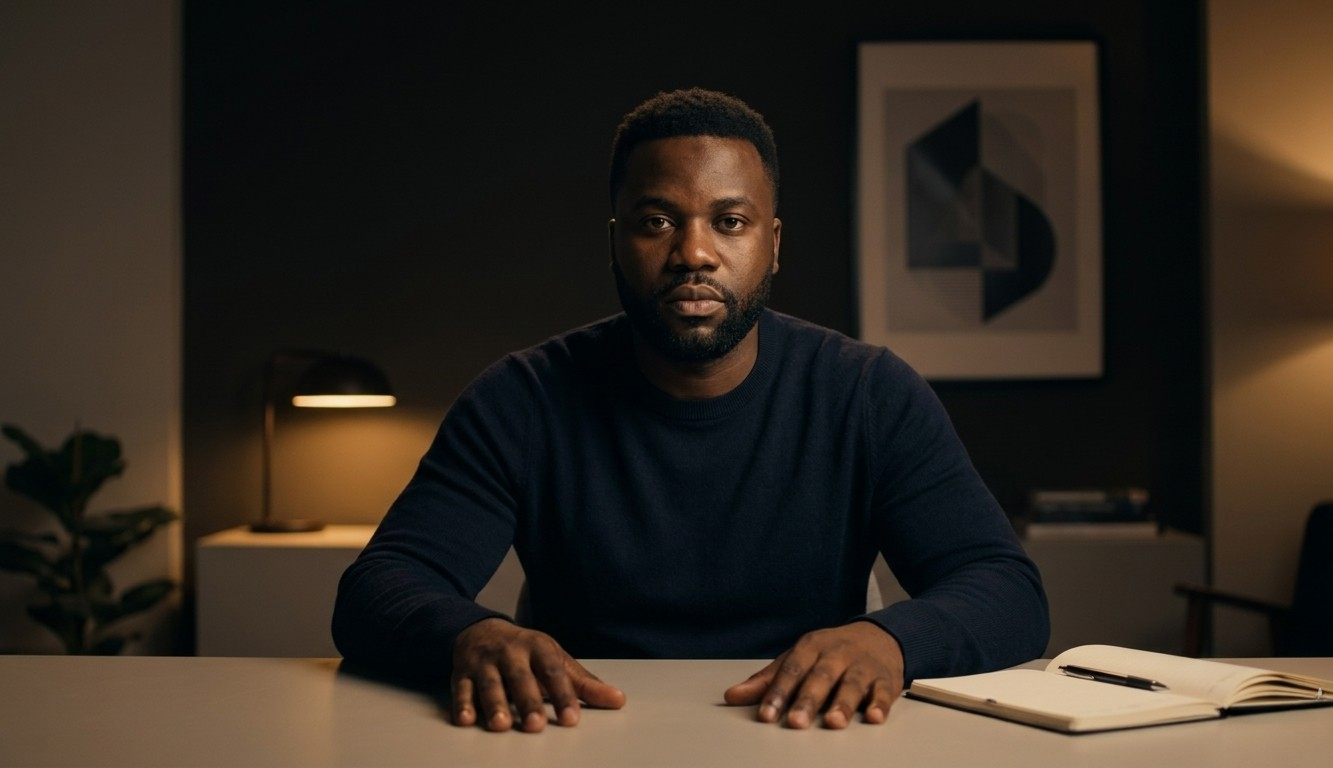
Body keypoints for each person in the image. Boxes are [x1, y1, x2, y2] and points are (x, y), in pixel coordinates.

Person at [331, 86, 1049, 733]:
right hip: (582, 733)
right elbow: (380, 588)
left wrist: (891, 640)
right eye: (656, 221)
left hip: (804, 734)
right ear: (615, 241)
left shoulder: (866, 393)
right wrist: (470, 634)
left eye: (730, 221)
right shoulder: (523, 398)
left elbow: (1006, 590)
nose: (694, 253)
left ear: (772, 246)